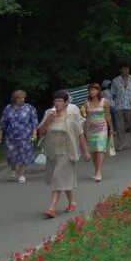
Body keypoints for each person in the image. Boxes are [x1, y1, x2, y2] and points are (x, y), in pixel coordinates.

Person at [37, 89, 89, 218]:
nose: (57, 103)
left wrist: (86, 151)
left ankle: (52, 208)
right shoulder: (49, 113)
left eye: (60, 101)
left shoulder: (72, 115)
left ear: (66, 102)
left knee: (57, 177)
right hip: (53, 151)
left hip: (67, 151)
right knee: (63, 178)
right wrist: (48, 120)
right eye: (55, 100)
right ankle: (72, 202)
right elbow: (41, 131)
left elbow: (80, 133)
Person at [0, 90, 38, 183]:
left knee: (23, 154)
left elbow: (34, 122)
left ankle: (22, 174)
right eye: (20, 98)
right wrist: (0, 134)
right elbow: (3, 122)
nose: (22, 99)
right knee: (12, 155)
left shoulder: (29, 108)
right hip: (11, 136)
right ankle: (13, 169)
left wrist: (34, 133)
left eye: (23, 98)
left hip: (25, 136)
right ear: (15, 99)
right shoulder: (8, 108)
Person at [81, 83, 113, 181]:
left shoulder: (104, 101)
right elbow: (83, 116)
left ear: (98, 91)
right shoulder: (86, 102)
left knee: (100, 149)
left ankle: (99, 172)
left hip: (102, 129)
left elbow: (108, 115)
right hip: (90, 129)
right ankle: (96, 170)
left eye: (93, 90)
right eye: (90, 90)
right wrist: (82, 112)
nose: (91, 92)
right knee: (93, 151)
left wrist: (111, 128)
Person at [110, 62, 131, 149]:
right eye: (124, 68)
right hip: (119, 106)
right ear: (120, 70)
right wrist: (114, 104)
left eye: (127, 68)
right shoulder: (115, 80)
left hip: (130, 106)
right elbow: (113, 93)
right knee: (120, 126)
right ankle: (121, 143)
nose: (126, 70)